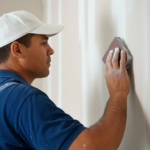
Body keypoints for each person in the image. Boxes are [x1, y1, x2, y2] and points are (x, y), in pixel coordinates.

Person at [0, 10, 129, 150]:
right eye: (43, 42)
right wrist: (118, 93)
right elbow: (91, 147)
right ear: (18, 50)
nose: (51, 50)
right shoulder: (22, 99)